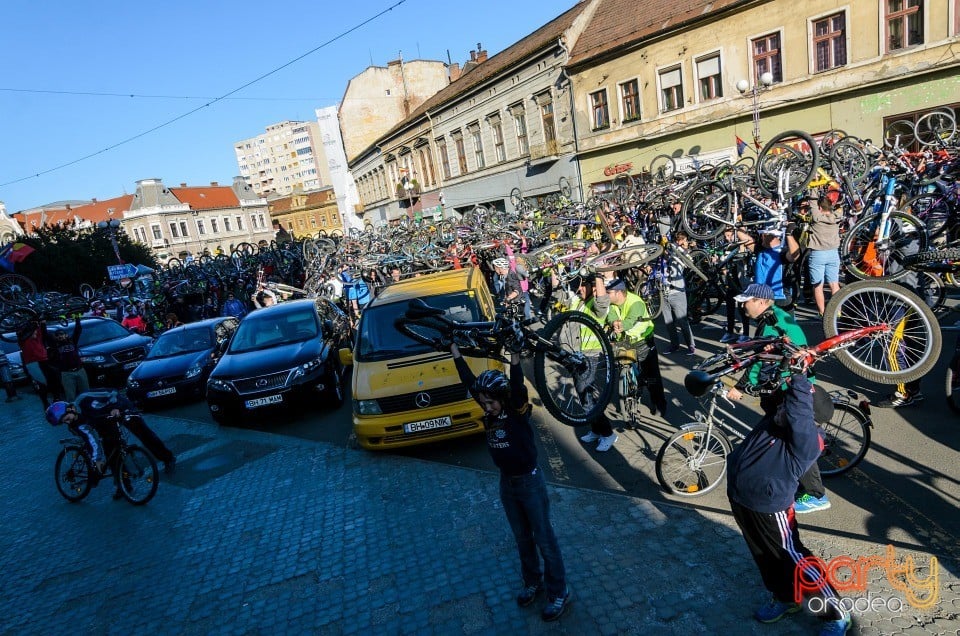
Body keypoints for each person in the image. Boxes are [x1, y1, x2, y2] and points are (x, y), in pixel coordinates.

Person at [450, 342, 572, 622]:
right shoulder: (489, 409)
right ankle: (533, 582)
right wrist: (455, 352)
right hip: (508, 484)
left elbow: (516, 386)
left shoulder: (516, 410)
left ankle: (559, 592)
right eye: (483, 402)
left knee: (545, 540)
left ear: (503, 399)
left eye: (490, 402)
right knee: (522, 538)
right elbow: (469, 381)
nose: (486, 406)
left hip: (530, 484)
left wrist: (515, 357)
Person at [726, 371, 850, 636]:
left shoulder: (809, 440)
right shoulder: (779, 417)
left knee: (794, 557)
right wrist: (782, 363)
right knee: (764, 556)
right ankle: (785, 598)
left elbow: (798, 414)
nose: (785, 403)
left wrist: (801, 381)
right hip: (742, 498)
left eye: (793, 401)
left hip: (771, 509)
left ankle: (836, 613)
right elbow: (773, 396)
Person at [726, 283, 830, 514]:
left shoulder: (772, 324)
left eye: (747, 301)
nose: (743, 305)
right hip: (786, 384)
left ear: (762, 302)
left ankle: (816, 495)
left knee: (796, 438)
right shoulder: (771, 318)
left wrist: (741, 387)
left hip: (793, 387)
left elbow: (763, 360)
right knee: (782, 431)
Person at [594, 277, 668, 416]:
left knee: (652, 377)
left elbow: (630, 321)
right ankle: (630, 395)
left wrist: (620, 326)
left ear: (619, 292)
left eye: (608, 292)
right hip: (625, 342)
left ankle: (659, 403)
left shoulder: (636, 302)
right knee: (626, 370)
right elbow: (610, 315)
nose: (606, 295)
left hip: (643, 341)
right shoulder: (612, 303)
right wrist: (613, 322)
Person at [566, 275, 618, 451]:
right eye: (579, 286)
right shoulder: (578, 302)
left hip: (590, 355)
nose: (580, 289)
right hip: (575, 355)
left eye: (584, 286)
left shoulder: (596, 305)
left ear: (593, 288)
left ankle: (608, 434)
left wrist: (598, 277)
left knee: (589, 397)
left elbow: (603, 301)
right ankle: (596, 430)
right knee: (584, 396)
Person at [806, 194, 843, 317]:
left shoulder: (817, 217)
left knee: (818, 285)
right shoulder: (837, 218)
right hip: (833, 253)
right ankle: (837, 311)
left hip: (818, 254)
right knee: (834, 284)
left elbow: (812, 203)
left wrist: (814, 189)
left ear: (819, 208)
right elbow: (840, 206)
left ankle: (822, 312)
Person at [660, 233, 696, 356]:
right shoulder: (666, 253)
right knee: (669, 322)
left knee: (682, 321)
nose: (680, 242)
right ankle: (674, 345)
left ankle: (690, 345)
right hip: (664, 292)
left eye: (682, 240)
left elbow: (689, 263)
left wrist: (682, 249)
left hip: (677, 292)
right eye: (678, 240)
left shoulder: (682, 253)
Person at [44, 316, 90, 402]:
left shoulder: (73, 341)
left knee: (86, 393)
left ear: (66, 335)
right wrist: (43, 324)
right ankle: (73, 413)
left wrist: (77, 319)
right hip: (66, 373)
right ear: (56, 337)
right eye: (58, 336)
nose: (60, 337)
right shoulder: (55, 345)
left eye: (62, 334)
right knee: (70, 396)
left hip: (80, 370)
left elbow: (78, 330)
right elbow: (46, 335)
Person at [17, 319, 58, 409]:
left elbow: (41, 330)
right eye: (34, 332)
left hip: (44, 361)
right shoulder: (24, 341)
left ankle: (56, 398)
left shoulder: (38, 338)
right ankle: (45, 403)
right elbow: (20, 335)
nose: (36, 333)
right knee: (42, 383)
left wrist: (42, 322)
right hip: (33, 363)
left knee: (53, 378)